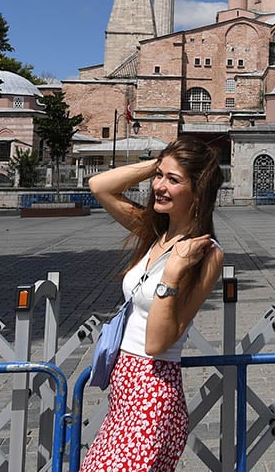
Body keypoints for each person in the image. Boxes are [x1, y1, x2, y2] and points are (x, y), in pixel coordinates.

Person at [82, 137, 225, 472]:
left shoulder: (205, 254)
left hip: (153, 396)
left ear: (198, 191)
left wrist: (173, 274)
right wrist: (161, 162)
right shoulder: (155, 232)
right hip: (124, 394)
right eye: (158, 177)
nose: (159, 186)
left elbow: (158, 342)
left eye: (173, 180)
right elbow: (99, 185)